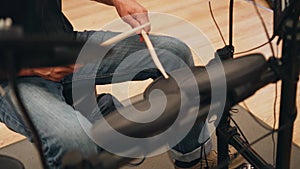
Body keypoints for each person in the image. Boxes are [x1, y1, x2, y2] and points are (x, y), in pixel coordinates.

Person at [0, 0, 232, 169]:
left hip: (63, 45)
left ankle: (192, 157)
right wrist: (29, 67)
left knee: (175, 55)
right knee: (72, 139)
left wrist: (119, 1)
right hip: (12, 74)